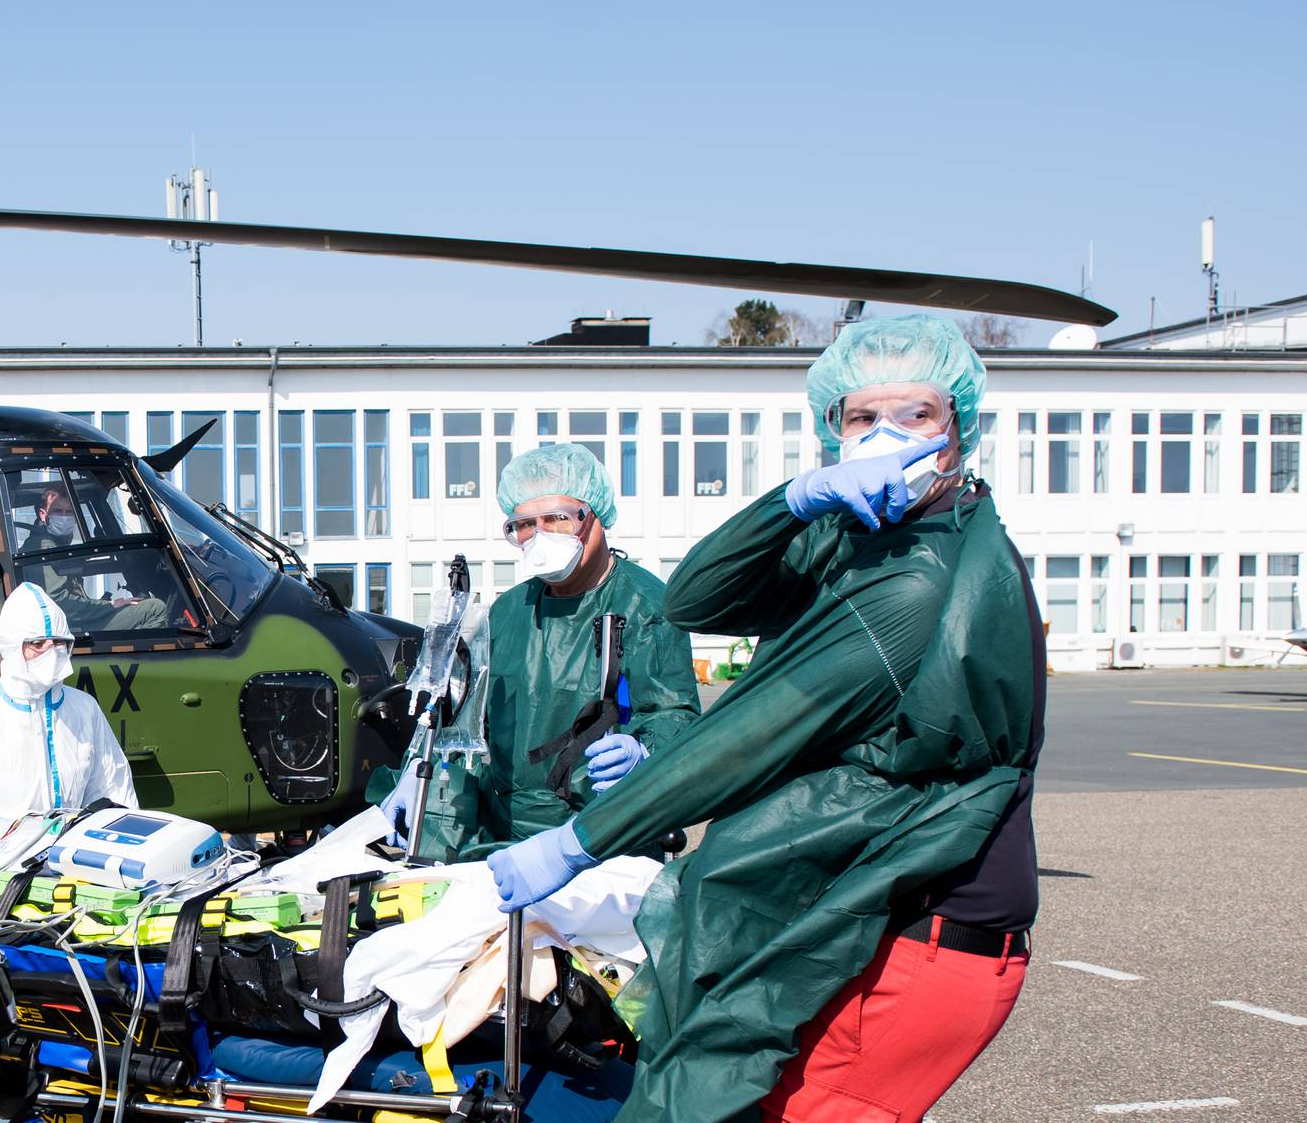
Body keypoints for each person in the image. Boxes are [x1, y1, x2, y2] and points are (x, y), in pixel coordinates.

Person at [486, 315, 1046, 1123]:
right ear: (831, 426)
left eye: (914, 415)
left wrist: (581, 840)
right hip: (867, 900)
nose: (884, 435)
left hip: (920, 929)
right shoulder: (868, 539)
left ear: (960, 425)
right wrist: (792, 503)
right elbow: (699, 599)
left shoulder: (914, 585)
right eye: (861, 418)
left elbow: (744, 736)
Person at [382, 443, 701, 860]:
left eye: (557, 518)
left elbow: (672, 713)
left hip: (603, 837)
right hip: (504, 834)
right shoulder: (508, 611)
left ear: (595, 517)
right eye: (525, 524)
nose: (541, 535)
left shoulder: (646, 606)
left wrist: (645, 754)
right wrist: (418, 773)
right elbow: (464, 719)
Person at [0, 584, 140, 828]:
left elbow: (113, 786)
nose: (51, 651)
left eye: (59, 642)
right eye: (38, 643)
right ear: (13, 645)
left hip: (66, 856)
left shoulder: (85, 709)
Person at [21, 475, 174, 633]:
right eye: (58, 511)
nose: (64, 517)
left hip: (73, 621)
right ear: (42, 514)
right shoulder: (42, 546)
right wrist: (109, 605)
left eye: (69, 512)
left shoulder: (53, 544)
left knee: (139, 604)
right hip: (70, 626)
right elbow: (59, 603)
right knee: (155, 609)